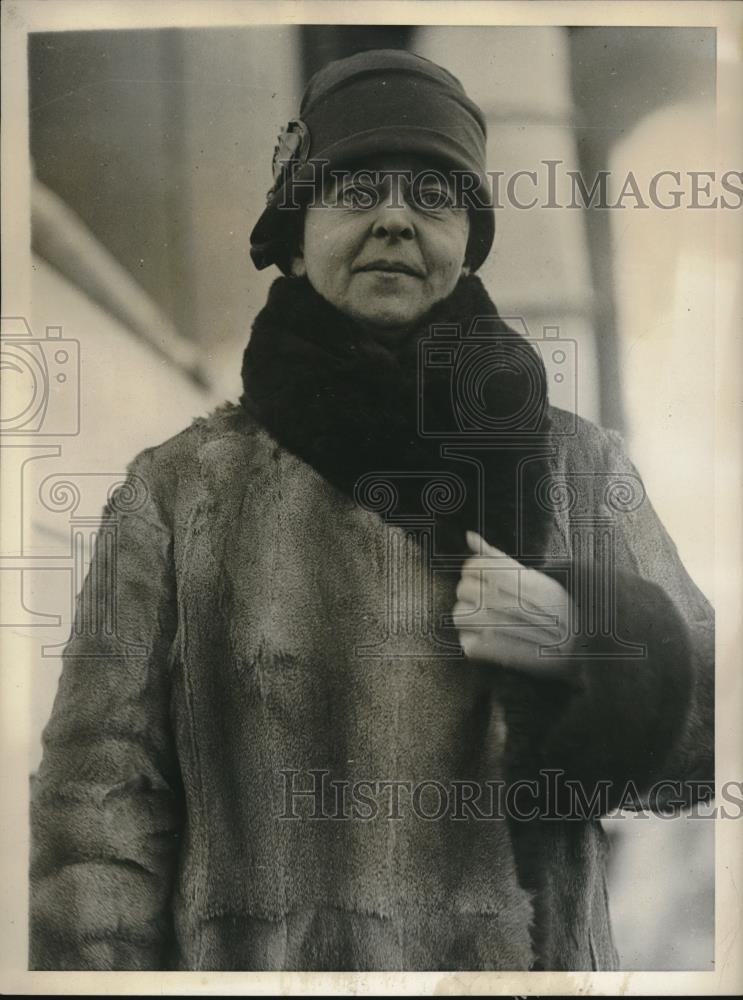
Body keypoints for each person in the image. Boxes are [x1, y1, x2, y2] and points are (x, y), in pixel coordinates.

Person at [29, 48, 714, 972]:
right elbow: (96, 815)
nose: (394, 218)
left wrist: (583, 639)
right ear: (297, 225)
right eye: (353, 189)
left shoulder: (576, 470)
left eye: (432, 196)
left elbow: (707, 751)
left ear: (468, 237)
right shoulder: (175, 493)